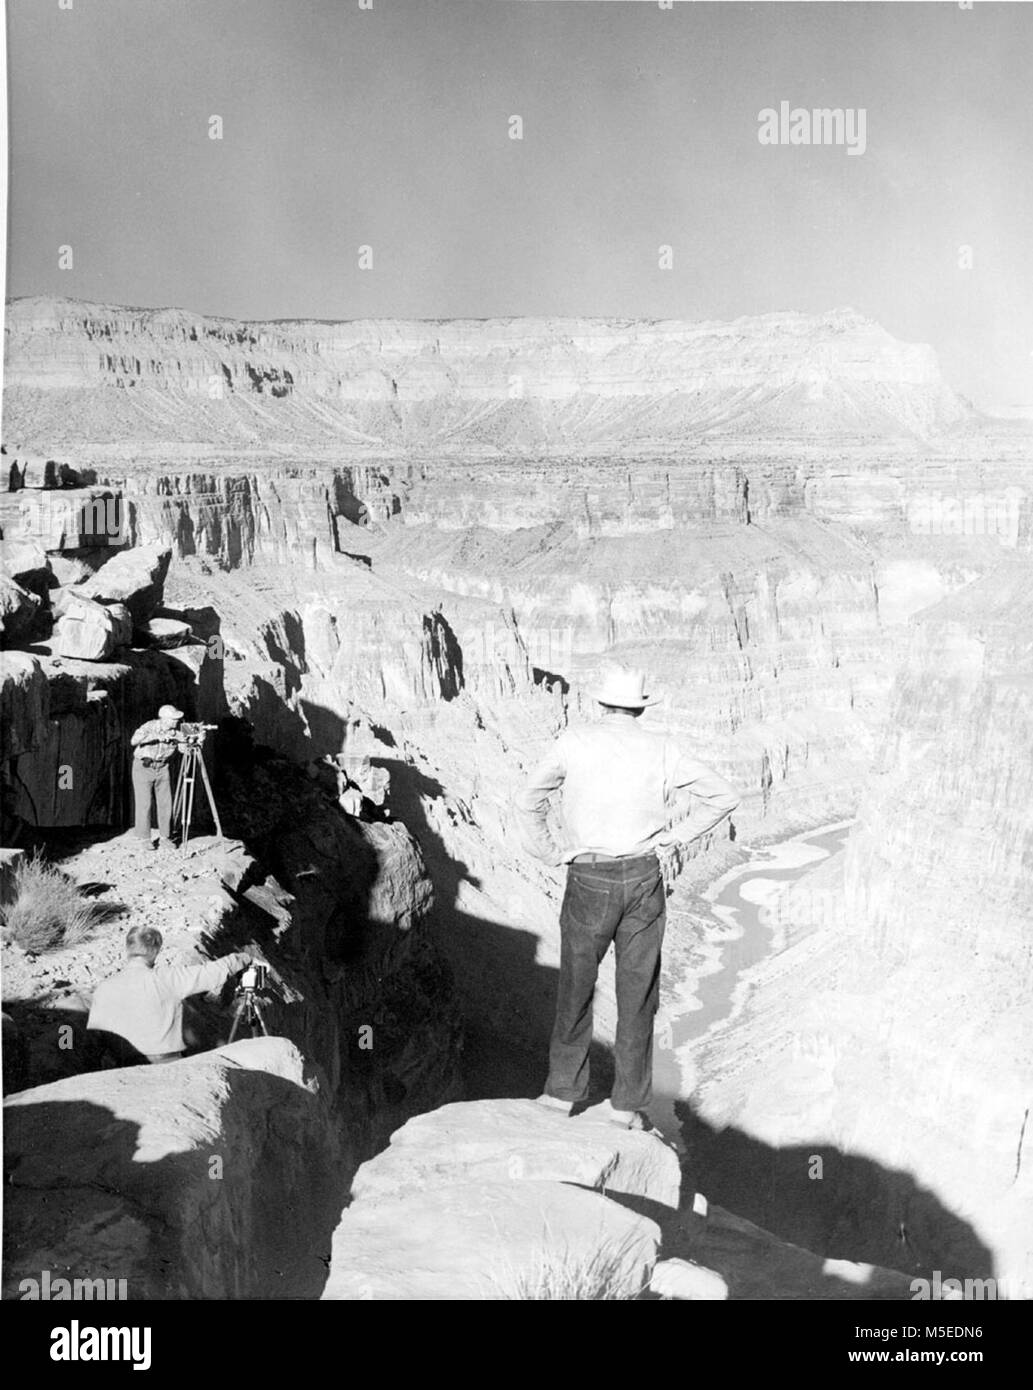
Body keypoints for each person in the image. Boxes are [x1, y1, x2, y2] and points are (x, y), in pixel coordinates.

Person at [514, 666, 739, 1129]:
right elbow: (724, 796)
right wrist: (675, 838)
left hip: (588, 875)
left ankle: (562, 1094)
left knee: (576, 985)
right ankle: (627, 1107)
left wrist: (551, 852)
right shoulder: (662, 748)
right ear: (640, 707)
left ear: (601, 703)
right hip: (642, 876)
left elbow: (527, 800)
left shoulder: (573, 742)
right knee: (638, 994)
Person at [86, 925, 252, 1064]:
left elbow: (96, 1036)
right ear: (155, 951)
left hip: (123, 1068)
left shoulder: (104, 987)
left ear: (128, 948)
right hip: (166, 1063)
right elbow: (210, 973)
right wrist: (242, 958)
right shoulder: (165, 978)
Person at [130, 704, 184, 849]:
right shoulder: (150, 726)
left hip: (162, 767)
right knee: (144, 803)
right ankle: (144, 838)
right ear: (165, 719)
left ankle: (165, 837)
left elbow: (184, 750)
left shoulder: (176, 733)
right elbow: (134, 740)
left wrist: (196, 741)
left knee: (166, 803)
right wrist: (158, 736)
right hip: (143, 767)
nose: (176, 722)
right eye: (173, 719)